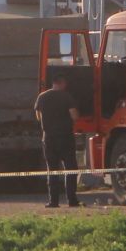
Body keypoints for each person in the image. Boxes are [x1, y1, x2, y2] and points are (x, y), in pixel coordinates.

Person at [34, 71, 79, 208]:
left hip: (48, 138)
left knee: (52, 170)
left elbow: (38, 115)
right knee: (70, 169)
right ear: (62, 83)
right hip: (65, 138)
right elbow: (74, 116)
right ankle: (72, 200)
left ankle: (53, 201)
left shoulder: (42, 97)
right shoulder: (67, 97)